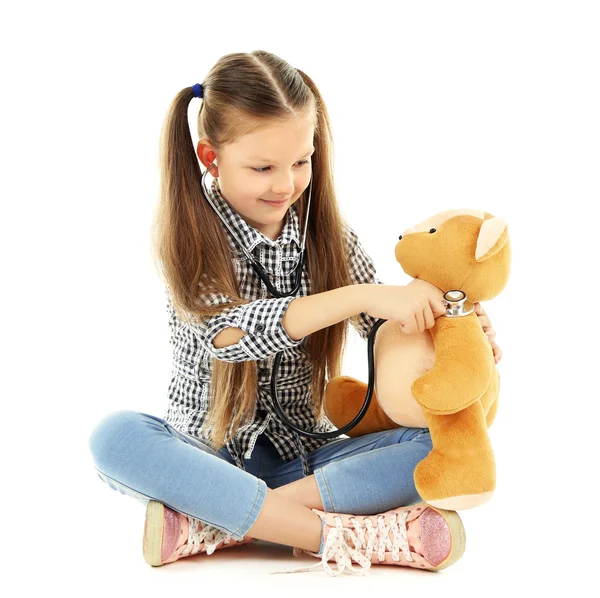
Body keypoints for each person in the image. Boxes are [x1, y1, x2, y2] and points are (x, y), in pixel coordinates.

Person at [88, 50, 502, 577]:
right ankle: (340, 534)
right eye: (262, 167)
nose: (285, 185)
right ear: (210, 157)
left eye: (300, 162)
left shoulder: (326, 234)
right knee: (116, 436)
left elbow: (384, 330)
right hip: (211, 458)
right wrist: (360, 295)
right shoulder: (189, 242)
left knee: (438, 442)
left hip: (304, 462)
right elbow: (229, 334)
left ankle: (219, 520)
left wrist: (448, 332)